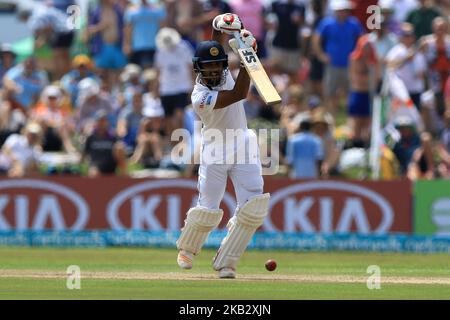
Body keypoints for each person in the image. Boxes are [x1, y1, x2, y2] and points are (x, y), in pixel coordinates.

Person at [176, 14, 270, 279]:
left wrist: (221, 27)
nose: (216, 71)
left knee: (254, 206)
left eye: (219, 66)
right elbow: (239, 94)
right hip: (215, 148)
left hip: (243, 143)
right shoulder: (200, 97)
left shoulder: (222, 67)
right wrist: (247, 59)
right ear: (199, 69)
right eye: (210, 68)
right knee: (208, 206)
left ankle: (227, 262)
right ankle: (188, 249)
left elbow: (216, 45)